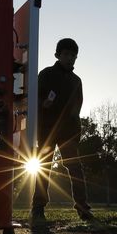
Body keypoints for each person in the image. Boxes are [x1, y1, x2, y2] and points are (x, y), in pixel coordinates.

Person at [32, 38, 93, 221]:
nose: (70, 58)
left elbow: (77, 107)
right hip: (46, 129)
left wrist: (76, 132)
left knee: (75, 168)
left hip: (68, 132)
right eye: (66, 54)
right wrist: (44, 104)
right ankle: (38, 208)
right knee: (44, 168)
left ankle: (83, 208)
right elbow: (35, 98)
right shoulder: (46, 74)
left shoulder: (76, 81)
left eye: (73, 55)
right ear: (58, 55)